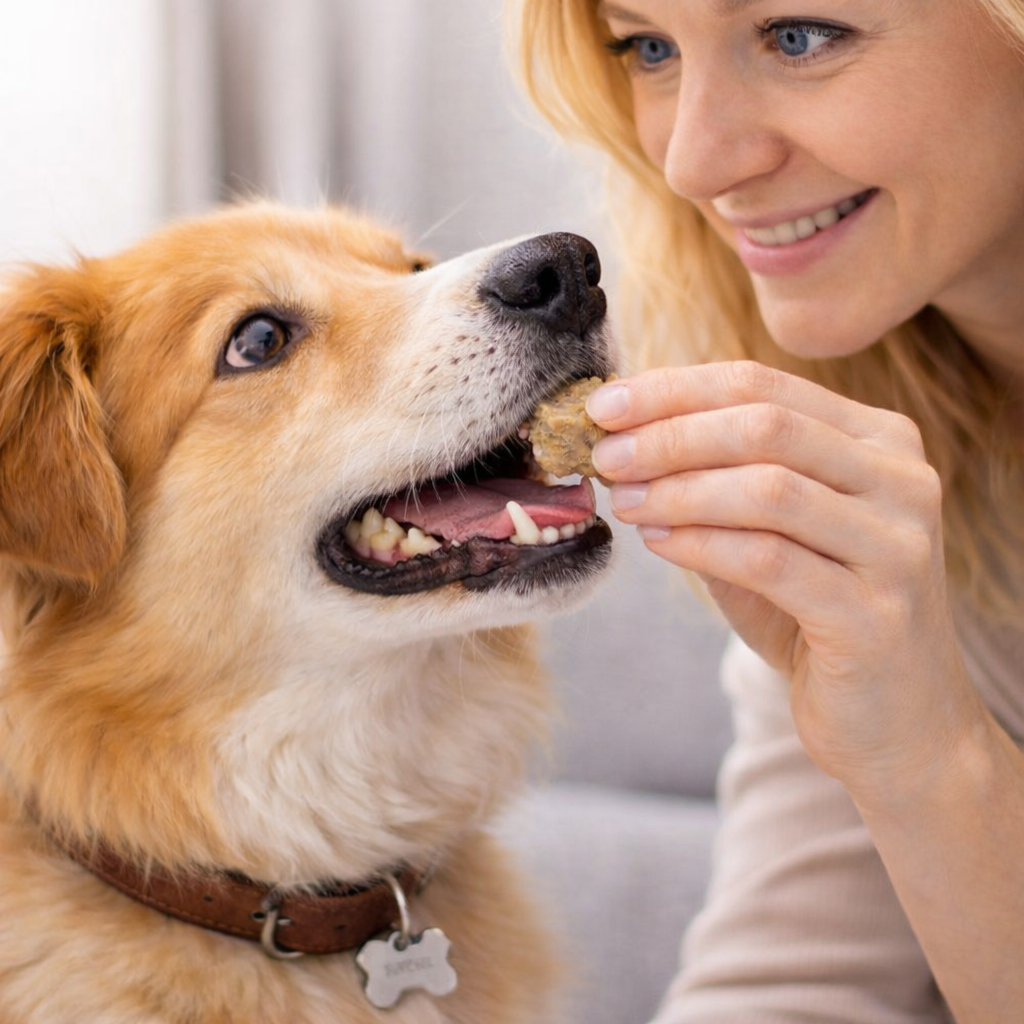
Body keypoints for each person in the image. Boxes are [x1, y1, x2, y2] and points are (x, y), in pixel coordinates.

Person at [506, 2, 1024, 1022]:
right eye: (646, 47)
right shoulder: (869, 459)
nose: (694, 161)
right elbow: (793, 988)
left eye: (799, 34)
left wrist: (930, 757)